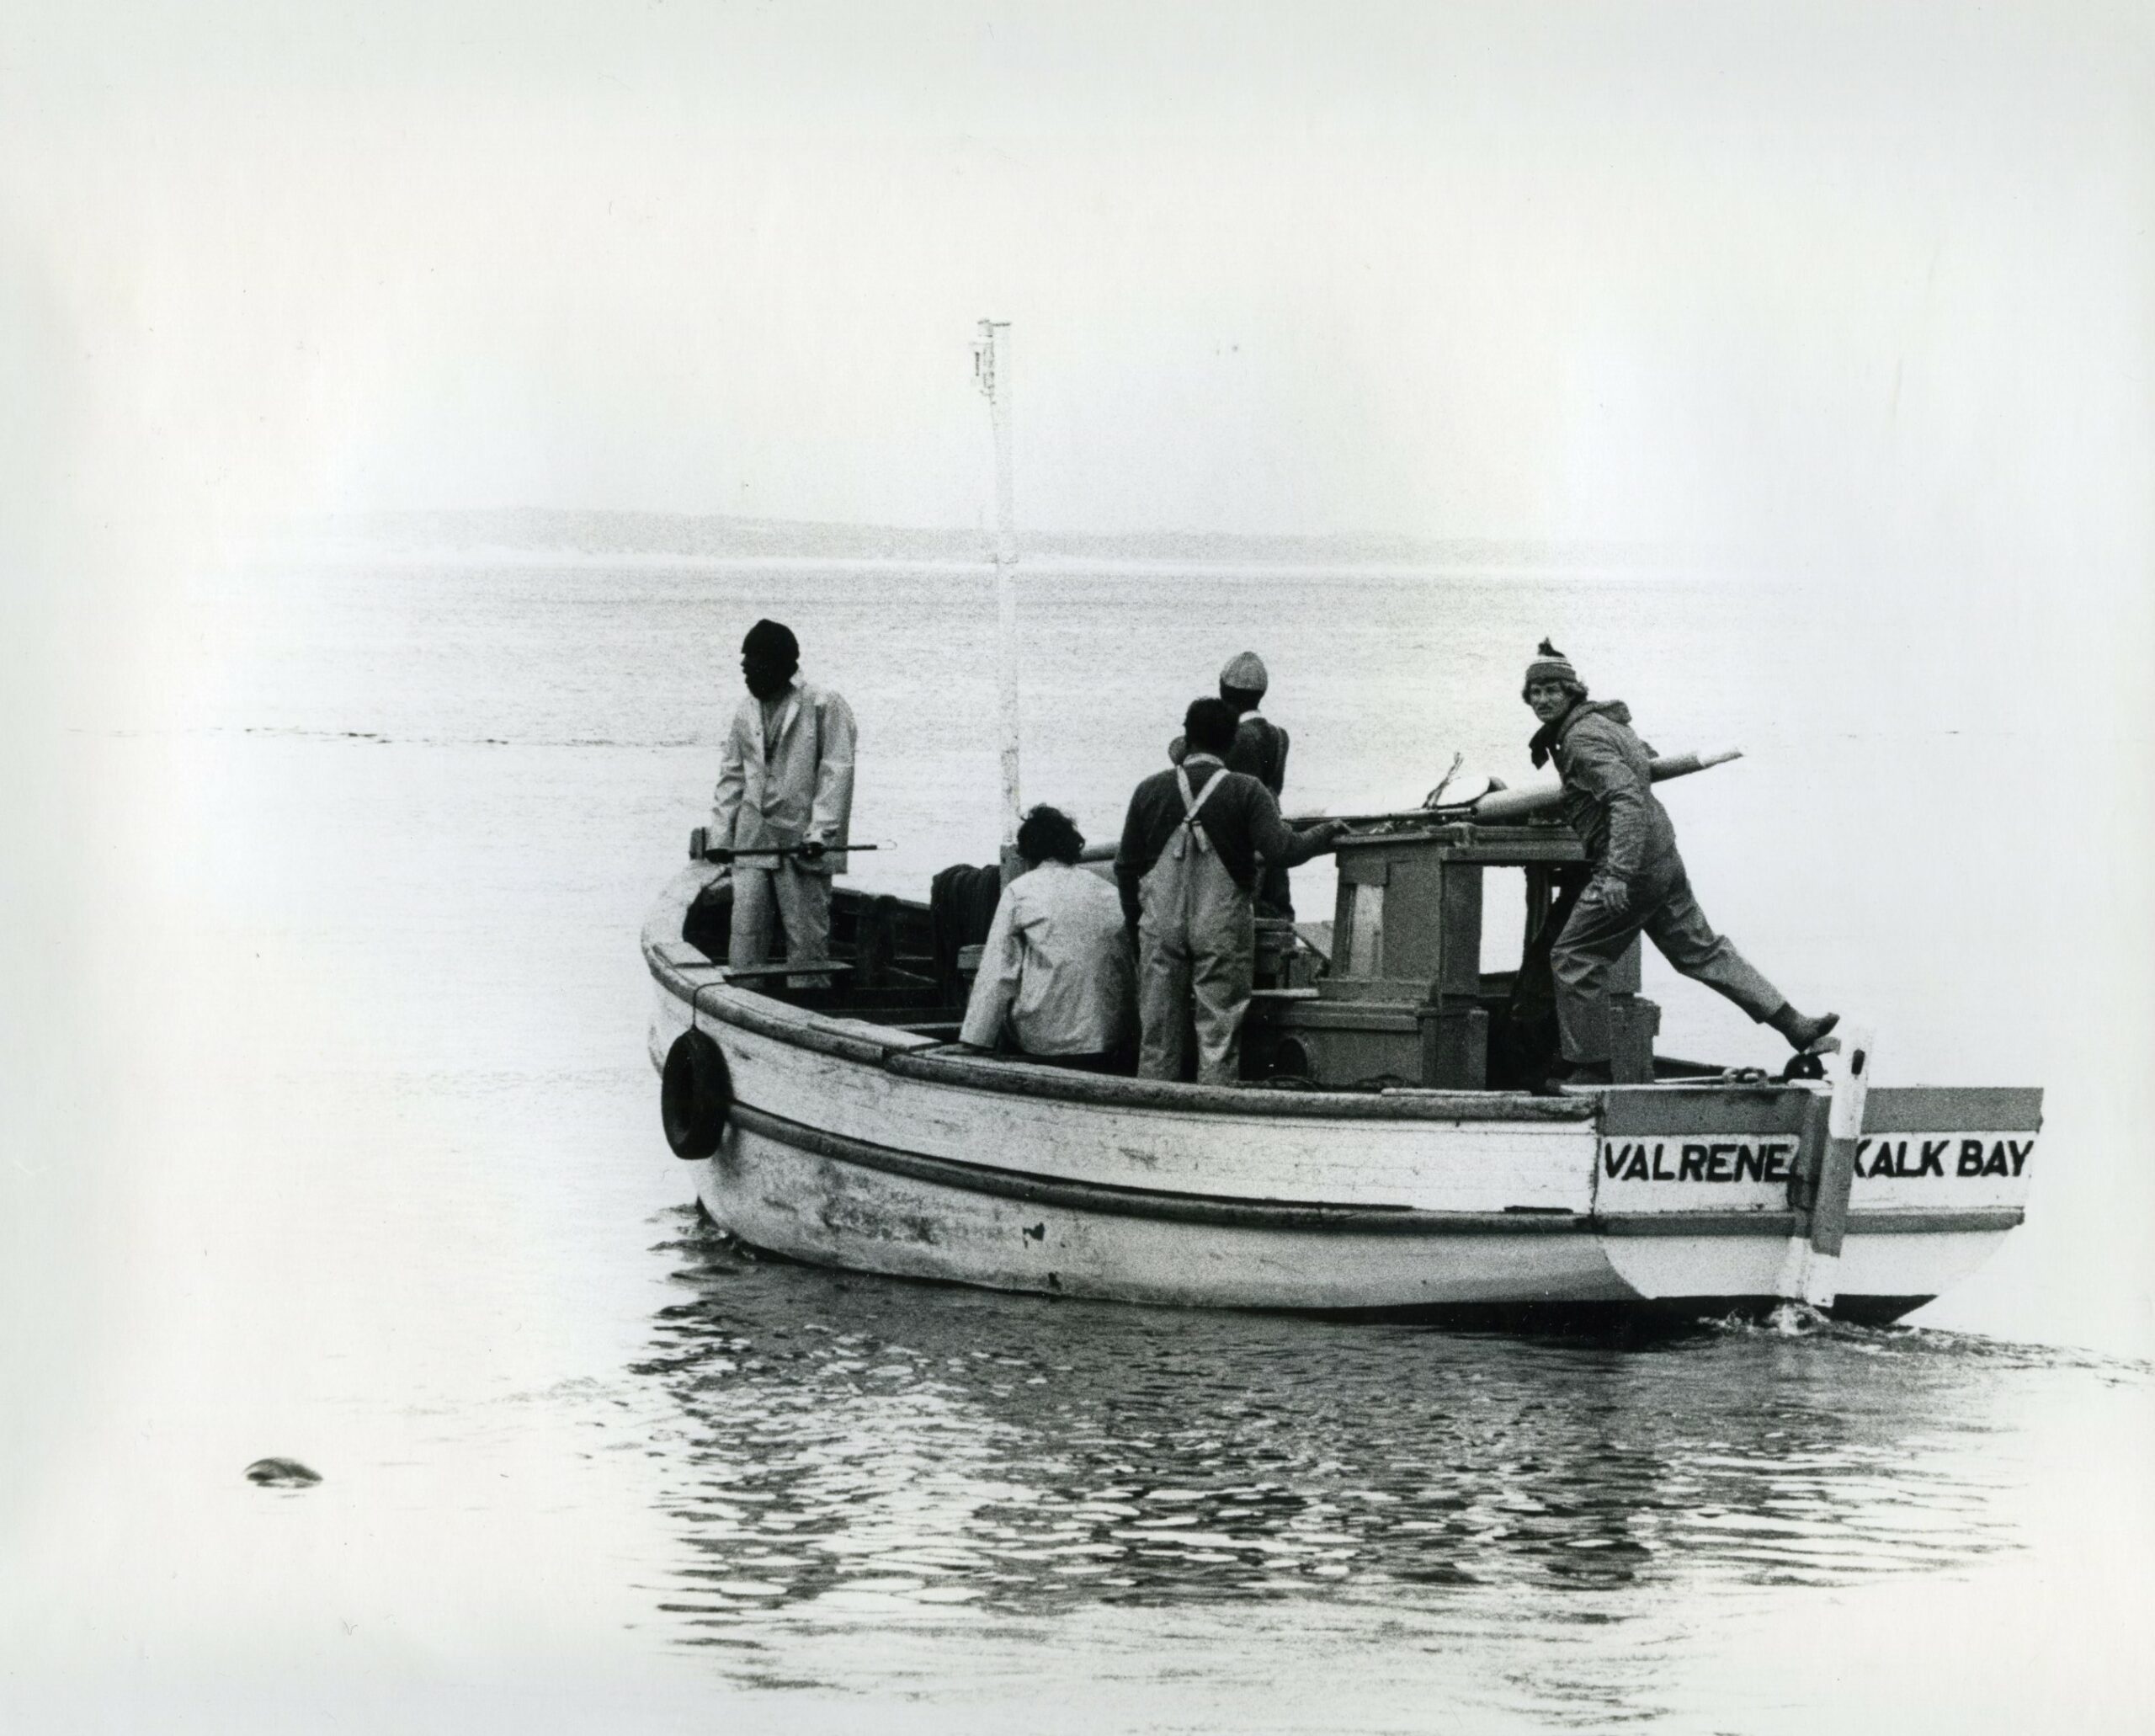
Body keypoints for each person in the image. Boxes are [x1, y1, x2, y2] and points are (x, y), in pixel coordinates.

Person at [1523, 640, 1838, 1085]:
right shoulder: (1607, 723)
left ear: (1573, 690)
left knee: (1575, 956)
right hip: (1662, 856)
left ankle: (1590, 1068)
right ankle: (1798, 1027)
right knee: (1701, 951)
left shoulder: (1579, 738)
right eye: (1535, 693)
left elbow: (1626, 799)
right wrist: (1573, 800)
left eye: (1553, 690)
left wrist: (1616, 874)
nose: (1543, 700)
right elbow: (1641, 765)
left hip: (1631, 864)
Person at [1118, 698, 1349, 1084]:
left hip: (1159, 926)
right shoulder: (1248, 791)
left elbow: (1125, 866)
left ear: (1187, 737)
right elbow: (1282, 849)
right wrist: (1327, 832)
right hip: (1221, 927)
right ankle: (1214, 1122)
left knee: (1156, 1037)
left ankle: (1152, 1117)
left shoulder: (1149, 790)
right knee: (1218, 1036)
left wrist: (1135, 923)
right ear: (1230, 744)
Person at [707, 619, 857, 982]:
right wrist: (720, 839)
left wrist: (820, 834)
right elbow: (732, 777)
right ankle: (744, 1009)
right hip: (753, 842)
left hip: (803, 845)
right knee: (745, 942)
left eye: (752, 663)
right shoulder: (746, 710)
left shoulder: (824, 704)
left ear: (778, 664)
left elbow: (836, 773)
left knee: (806, 946)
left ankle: (808, 1014)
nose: (744, 671)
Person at [959, 806, 1136, 1068]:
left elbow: (997, 974)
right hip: (1108, 1037)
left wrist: (973, 1042)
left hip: (1044, 1040)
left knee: (1003, 992)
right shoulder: (1109, 892)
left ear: (1027, 853)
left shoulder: (1019, 891)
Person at [1170, 651, 1296, 914]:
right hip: (1273, 835)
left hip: (1239, 848)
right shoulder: (1280, 736)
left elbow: (1180, 753)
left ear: (1223, 690)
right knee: (1279, 917)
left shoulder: (1232, 737)